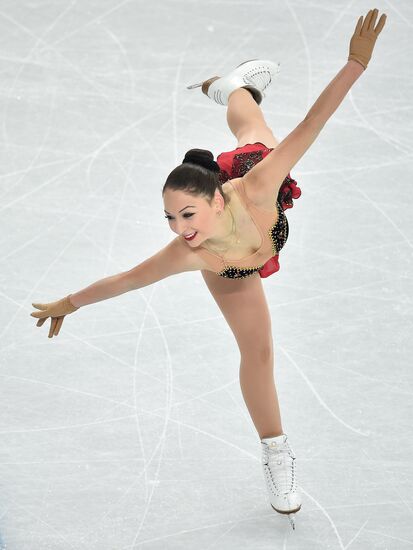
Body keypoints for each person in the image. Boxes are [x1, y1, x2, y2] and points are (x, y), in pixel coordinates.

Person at [30, 9, 387, 529]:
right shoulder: (191, 253)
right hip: (234, 272)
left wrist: (355, 63)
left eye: (187, 214)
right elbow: (126, 279)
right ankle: (276, 453)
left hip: (255, 199)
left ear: (217, 200)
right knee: (258, 351)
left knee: (253, 128)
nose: (178, 228)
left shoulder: (259, 182)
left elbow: (314, 122)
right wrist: (70, 302)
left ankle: (232, 86)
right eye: (170, 218)